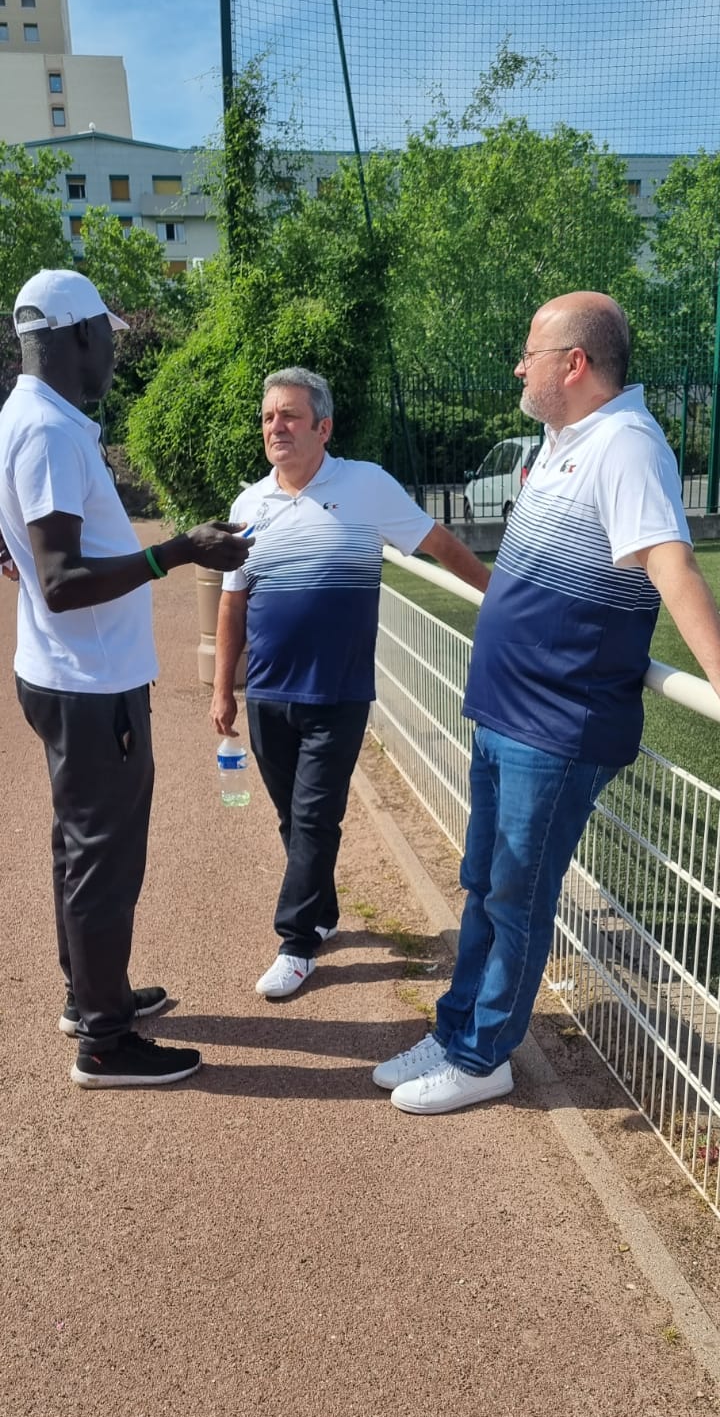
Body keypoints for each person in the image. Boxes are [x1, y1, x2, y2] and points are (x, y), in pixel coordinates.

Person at [374, 290, 720, 1114]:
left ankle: (485, 1054)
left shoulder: (627, 444)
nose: (517, 367)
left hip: (559, 725)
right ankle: (458, 1029)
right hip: (509, 711)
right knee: (484, 882)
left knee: (514, 895)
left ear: (574, 363)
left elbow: (673, 566)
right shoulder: (566, 440)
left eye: (529, 352)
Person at [0, 268, 253, 1089]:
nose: (114, 349)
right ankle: (105, 1042)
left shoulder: (26, 415)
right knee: (104, 859)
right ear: (78, 337)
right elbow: (65, 581)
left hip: (64, 675)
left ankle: (90, 995)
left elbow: (40, 557)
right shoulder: (51, 431)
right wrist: (176, 552)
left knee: (80, 847)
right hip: (88, 681)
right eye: (107, 334)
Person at [211, 365, 490, 998]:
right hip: (268, 694)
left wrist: (499, 601)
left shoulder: (366, 486)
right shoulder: (249, 505)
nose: (275, 427)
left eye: (289, 415)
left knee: (314, 817)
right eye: (267, 417)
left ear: (323, 426)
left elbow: (440, 543)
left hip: (337, 693)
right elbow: (234, 600)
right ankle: (323, 910)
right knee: (293, 817)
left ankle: (297, 941)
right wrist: (221, 688)